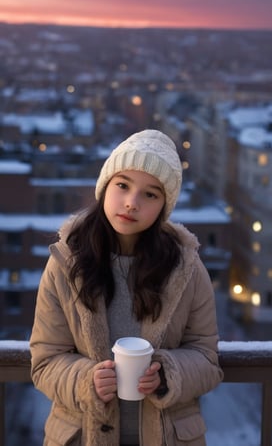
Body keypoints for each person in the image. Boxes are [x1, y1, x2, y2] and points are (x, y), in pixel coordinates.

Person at [30, 129, 224, 446]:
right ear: (105, 187)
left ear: (164, 205)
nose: (131, 203)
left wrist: (168, 374)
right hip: (83, 436)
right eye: (122, 185)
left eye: (150, 194)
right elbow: (45, 360)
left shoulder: (187, 269)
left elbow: (206, 358)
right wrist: (85, 381)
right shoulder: (66, 263)